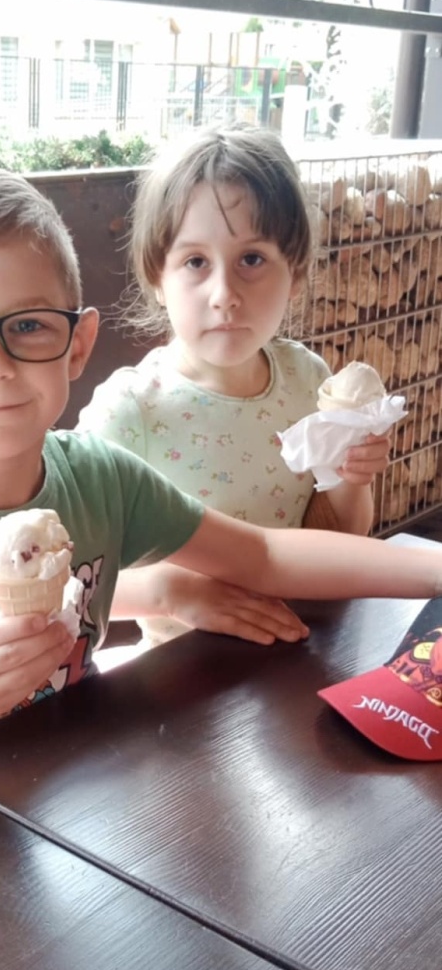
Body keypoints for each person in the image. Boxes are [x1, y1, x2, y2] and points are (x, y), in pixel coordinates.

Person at [0, 165, 439, 825]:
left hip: (77, 817)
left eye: (28, 326)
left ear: (78, 344)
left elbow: (262, 555)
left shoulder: (100, 480)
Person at [77, 127, 391, 648]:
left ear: (295, 276)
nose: (224, 294)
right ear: (157, 278)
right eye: (195, 262)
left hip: (301, 646)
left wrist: (354, 478)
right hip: (184, 671)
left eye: (251, 259)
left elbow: (345, 534)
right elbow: (70, 579)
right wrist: (172, 592)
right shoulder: (129, 411)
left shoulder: (308, 380)